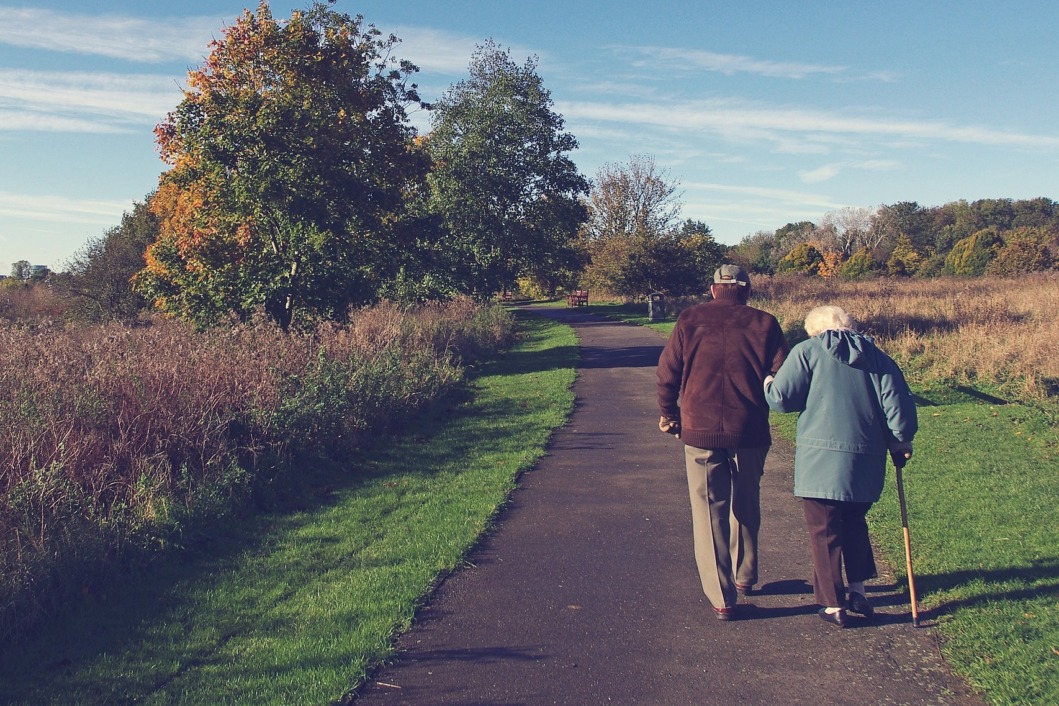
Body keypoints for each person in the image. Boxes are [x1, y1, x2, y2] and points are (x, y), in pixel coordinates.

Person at [763, 305, 917, 627]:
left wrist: (767, 382)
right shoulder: (878, 357)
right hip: (866, 462)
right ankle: (858, 590)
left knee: (824, 530)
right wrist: (901, 441)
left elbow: (781, 399)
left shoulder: (807, 352)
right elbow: (899, 412)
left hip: (820, 462)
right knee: (854, 522)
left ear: (815, 330)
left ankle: (833, 604)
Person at [656, 264, 789, 620]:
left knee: (708, 511)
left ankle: (722, 597)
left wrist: (669, 414)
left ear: (713, 289)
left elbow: (667, 371)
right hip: (749, 429)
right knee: (747, 501)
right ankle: (745, 575)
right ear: (746, 290)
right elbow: (782, 376)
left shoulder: (689, 319)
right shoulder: (766, 323)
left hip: (699, 428)